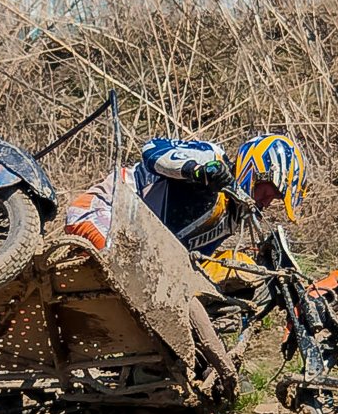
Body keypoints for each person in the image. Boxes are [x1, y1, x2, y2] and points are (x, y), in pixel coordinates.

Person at [64, 133, 307, 398]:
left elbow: (187, 261)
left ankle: (155, 372)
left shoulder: (229, 217)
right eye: (268, 191)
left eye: (274, 199)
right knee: (129, 268)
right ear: (257, 170)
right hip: (105, 212)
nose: (266, 201)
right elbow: (152, 150)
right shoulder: (212, 157)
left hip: (142, 252)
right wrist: (196, 169)